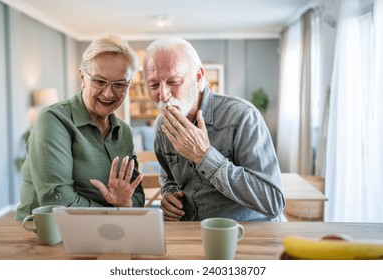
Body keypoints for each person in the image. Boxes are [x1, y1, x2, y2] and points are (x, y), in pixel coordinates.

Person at [143, 37, 285, 221]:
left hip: (244, 233)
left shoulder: (242, 116)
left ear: (199, 77)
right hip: (190, 232)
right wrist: (169, 194)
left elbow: (273, 201)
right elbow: (169, 176)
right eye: (153, 85)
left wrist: (205, 156)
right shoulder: (162, 125)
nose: (162, 94)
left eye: (174, 81)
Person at [16, 33, 144, 220]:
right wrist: (113, 213)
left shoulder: (124, 131)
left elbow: (137, 195)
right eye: (100, 81)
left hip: (103, 233)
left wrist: (126, 204)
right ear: (82, 77)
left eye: (119, 84)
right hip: (43, 238)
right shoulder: (53, 120)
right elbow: (58, 201)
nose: (108, 93)